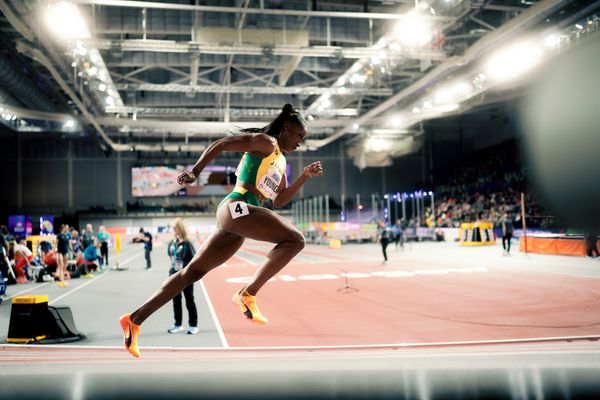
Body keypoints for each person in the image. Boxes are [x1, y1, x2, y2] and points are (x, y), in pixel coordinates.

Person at [119, 103, 323, 358]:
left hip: (239, 224)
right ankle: (247, 294)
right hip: (236, 207)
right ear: (285, 129)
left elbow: (279, 201)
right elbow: (223, 143)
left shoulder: (280, 161)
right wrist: (196, 171)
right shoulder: (266, 142)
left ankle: (134, 320)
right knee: (295, 240)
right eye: (300, 136)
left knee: (190, 273)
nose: (301, 142)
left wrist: (303, 177)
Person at [166, 218, 198, 334]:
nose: (173, 229)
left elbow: (194, 260)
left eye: (175, 227)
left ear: (181, 228)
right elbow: (170, 257)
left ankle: (193, 325)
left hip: (186, 276)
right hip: (174, 275)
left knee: (189, 299)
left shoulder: (188, 243)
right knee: (176, 300)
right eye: (172, 227)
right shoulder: (172, 243)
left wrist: (187, 271)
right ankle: (178, 324)